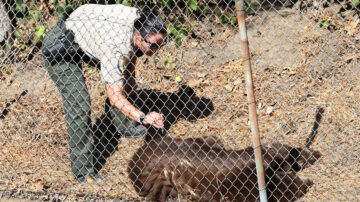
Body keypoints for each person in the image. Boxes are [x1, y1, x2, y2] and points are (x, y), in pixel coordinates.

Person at [42, 4, 167, 183]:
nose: (156, 52)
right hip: (60, 45)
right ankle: (83, 172)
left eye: (160, 45)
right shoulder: (116, 46)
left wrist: (129, 75)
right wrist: (142, 116)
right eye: (153, 46)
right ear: (138, 35)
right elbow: (114, 96)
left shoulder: (140, 20)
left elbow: (131, 50)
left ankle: (123, 125)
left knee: (123, 80)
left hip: (88, 33)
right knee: (80, 104)